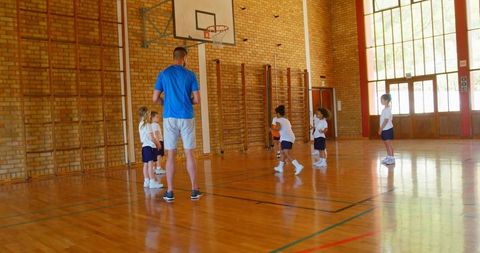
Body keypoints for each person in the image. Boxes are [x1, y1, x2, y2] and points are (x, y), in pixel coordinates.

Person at [152, 47, 201, 201]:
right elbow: (197, 100)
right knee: (189, 153)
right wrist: (188, 101)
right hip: (186, 116)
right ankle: (194, 190)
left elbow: (155, 98)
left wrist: (164, 103)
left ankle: (170, 192)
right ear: (184, 58)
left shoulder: (163, 74)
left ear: (174, 57)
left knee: (171, 154)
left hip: (169, 118)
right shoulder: (190, 74)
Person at [272, 105, 304, 175]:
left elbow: (278, 128)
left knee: (286, 153)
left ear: (278, 114)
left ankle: (298, 166)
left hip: (286, 138)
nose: (276, 115)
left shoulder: (278, 120)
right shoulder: (286, 120)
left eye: (276, 113)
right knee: (283, 152)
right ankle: (280, 167)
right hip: (290, 137)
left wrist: (271, 129)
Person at [138, 106, 163, 189]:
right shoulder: (147, 125)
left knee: (145, 164)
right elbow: (151, 137)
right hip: (150, 146)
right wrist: (158, 143)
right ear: (146, 114)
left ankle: (146, 181)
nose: (150, 116)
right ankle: (152, 182)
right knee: (150, 165)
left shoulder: (140, 124)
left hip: (144, 146)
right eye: (149, 114)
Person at [378, 94, 395, 165]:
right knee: (387, 144)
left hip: (387, 130)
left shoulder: (387, 109)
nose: (380, 101)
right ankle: (389, 157)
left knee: (389, 144)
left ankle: (391, 159)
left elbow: (386, 120)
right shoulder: (385, 109)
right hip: (386, 129)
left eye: (382, 99)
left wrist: (380, 129)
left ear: (386, 100)